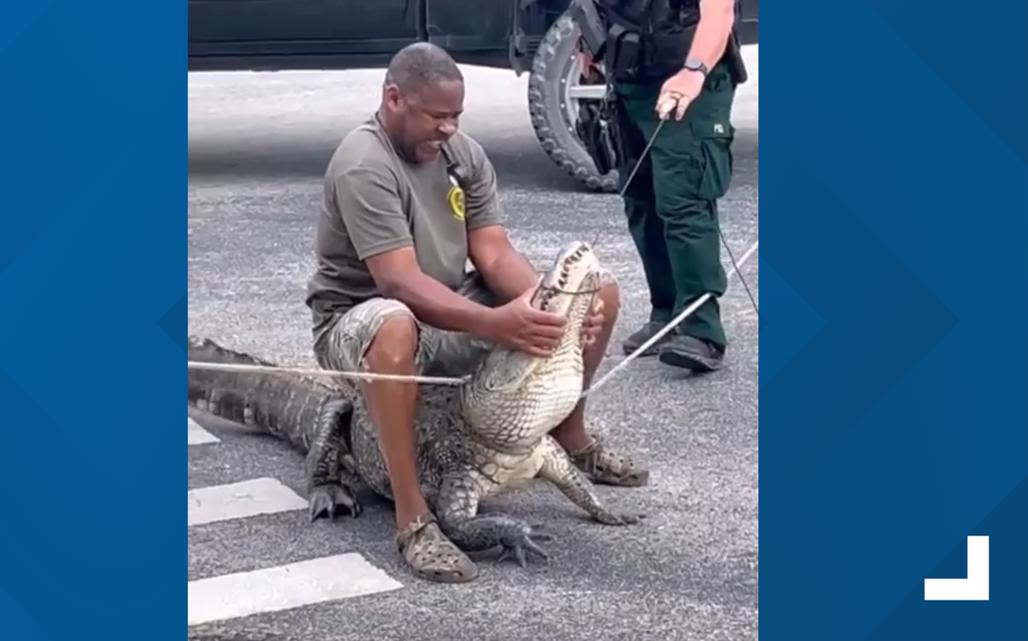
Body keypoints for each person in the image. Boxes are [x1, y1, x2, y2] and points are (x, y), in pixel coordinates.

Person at [304, 42, 647, 583]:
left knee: (596, 291)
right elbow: (399, 281)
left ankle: (571, 434)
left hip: (447, 298)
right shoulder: (363, 163)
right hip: (362, 315)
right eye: (436, 116)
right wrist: (496, 323)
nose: (448, 129)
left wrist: (549, 310)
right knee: (393, 324)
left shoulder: (462, 154)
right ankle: (413, 517)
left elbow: (491, 253)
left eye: (456, 116)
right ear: (393, 99)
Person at [588, 0, 748, 371]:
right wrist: (587, 48)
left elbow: (718, 14)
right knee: (640, 200)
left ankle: (702, 329)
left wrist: (692, 73)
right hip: (630, 76)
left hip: (690, 80)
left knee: (684, 201)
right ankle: (667, 314)